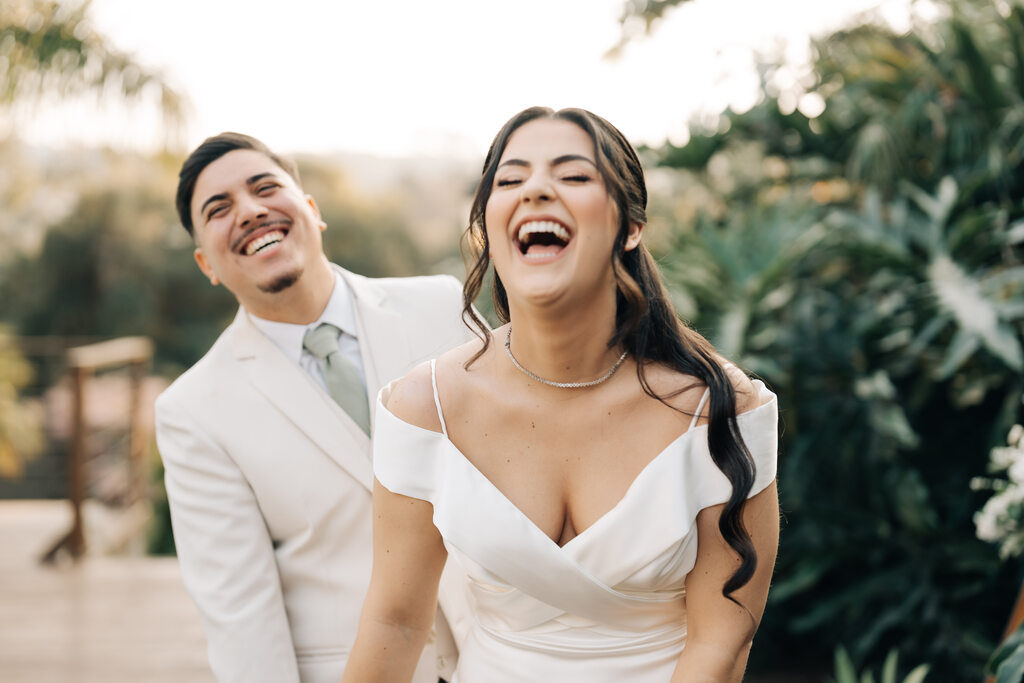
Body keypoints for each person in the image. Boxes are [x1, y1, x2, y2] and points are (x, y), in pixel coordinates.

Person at [342, 107, 780, 682]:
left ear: (631, 226)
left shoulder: (719, 411)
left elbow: (721, 644)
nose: (536, 190)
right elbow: (394, 623)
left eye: (573, 176)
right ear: (488, 225)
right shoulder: (426, 409)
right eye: (510, 179)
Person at [154, 132, 474, 683]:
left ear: (311, 210)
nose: (250, 212)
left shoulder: (441, 306)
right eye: (220, 209)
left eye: (264, 188)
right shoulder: (192, 410)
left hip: (498, 655)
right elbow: (242, 618)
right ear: (207, 262)